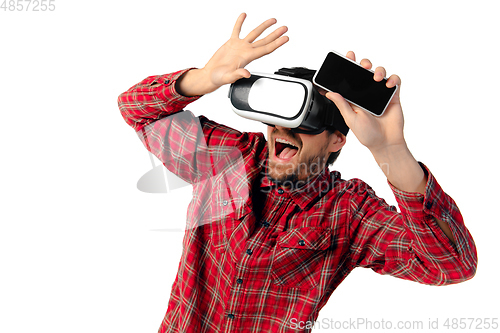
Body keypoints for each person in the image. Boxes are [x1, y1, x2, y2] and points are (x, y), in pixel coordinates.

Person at [118, 13, 477, 333]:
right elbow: (137, 110)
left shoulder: (348, 210)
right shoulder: (227, 158)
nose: (282, 129)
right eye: (277, 116)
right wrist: (202, 78)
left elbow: (452, 265)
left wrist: (391, 150)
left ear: (337, 140)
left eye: (304, 121)